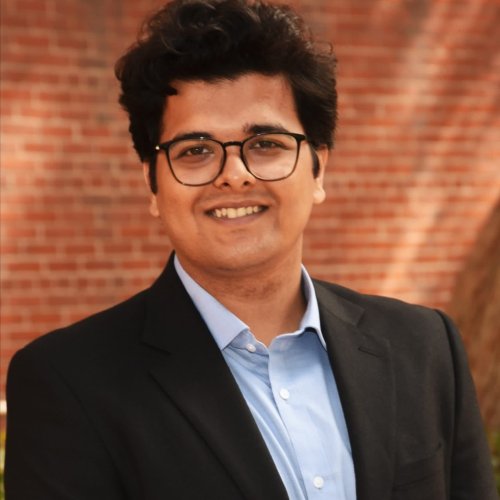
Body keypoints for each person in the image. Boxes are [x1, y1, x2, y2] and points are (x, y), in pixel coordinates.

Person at [4, 0, 497, 499]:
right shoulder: (67, 384)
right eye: (194, 151)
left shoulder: (425, 348)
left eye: (265, 144)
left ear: (317, 169)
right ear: (153, 186)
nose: (234, 175)